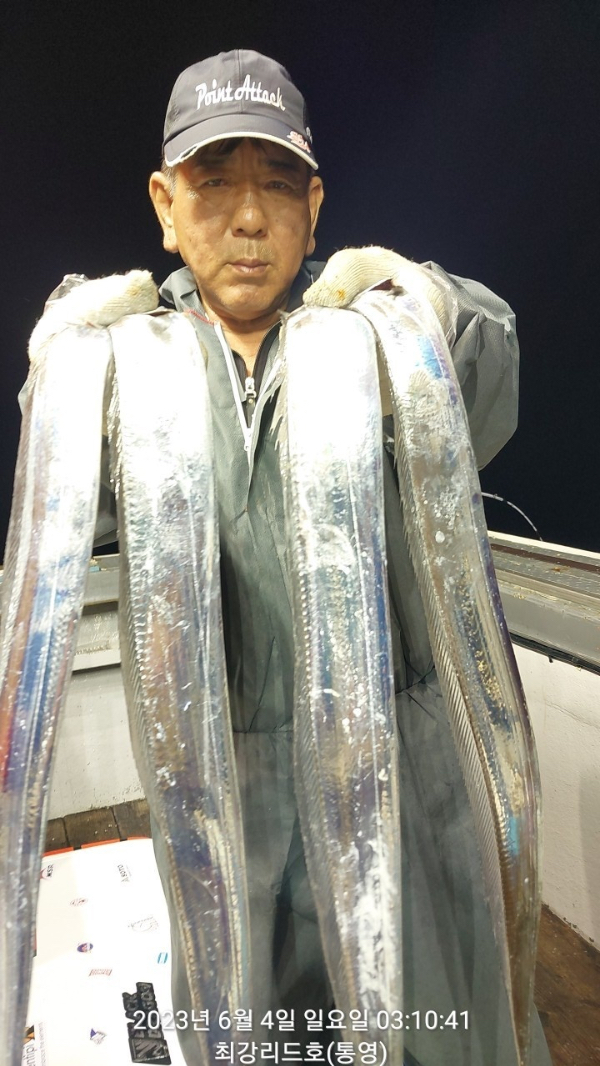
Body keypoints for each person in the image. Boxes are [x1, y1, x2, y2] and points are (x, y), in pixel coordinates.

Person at [30, 49, 552, 1066]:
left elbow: (491, 379)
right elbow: (74, 515)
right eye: (212, 183)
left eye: (276, 184)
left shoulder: (379, 334)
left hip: (408, 781)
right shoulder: (127, 367)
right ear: (165, 205)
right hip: (223, 799)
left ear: (314, 208)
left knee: (446, 1025)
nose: (247, 217)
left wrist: (436, 306)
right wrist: (55, 383)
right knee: (262, 1031)